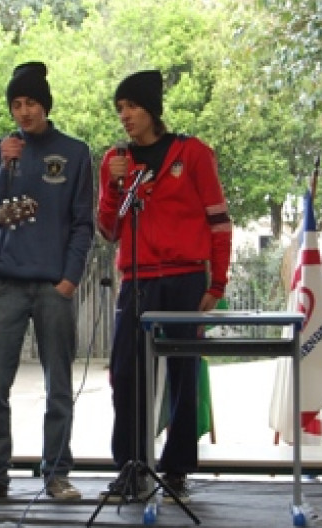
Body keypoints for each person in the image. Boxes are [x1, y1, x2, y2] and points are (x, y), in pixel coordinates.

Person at [97, 70, 232, 503]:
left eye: (131, 106)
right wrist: (111, 186)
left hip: (185, 277)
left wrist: (219, 279)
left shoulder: (191, 153)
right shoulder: (115, 160)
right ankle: (131, 467)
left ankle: (176, 470)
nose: (125, 116)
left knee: (183, 374)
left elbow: (218, 221)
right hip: (137, 279)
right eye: (119, 109)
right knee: (125, 375)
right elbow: (109, 229)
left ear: (151, 109)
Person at [0, 62, 94, 501]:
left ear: (45, 104)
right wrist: (4, 167)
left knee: (59, 384)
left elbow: (82, 223)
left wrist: (70, 279)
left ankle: (56, 472)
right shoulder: (1, 149)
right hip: (6, 282)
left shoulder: (75, 152)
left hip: (54, 285)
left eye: (31, 102)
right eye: (16, 104)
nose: (24, 112)